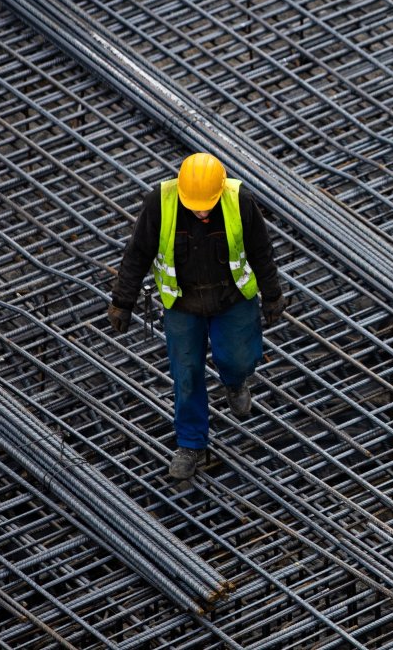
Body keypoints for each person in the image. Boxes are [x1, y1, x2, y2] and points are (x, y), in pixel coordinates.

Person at [106, 152, 286, 481]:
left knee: (236, 358)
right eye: (196, 205)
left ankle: (235, 381)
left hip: (231, 299)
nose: (202, 210)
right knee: (186, 375)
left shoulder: (240, 202)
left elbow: (261, 250)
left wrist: (272, 294)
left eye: (207, 204)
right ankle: (191, 444)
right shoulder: (159, 204)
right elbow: (138, 253)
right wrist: (123, 300)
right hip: (183, 302)